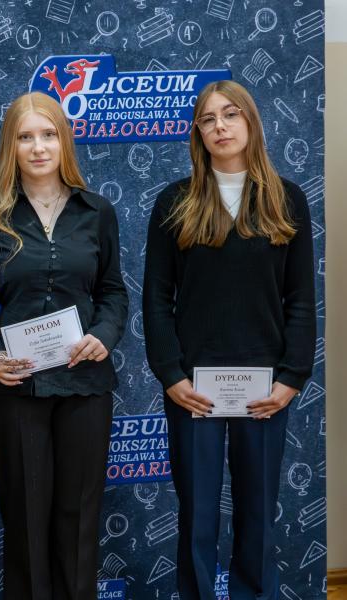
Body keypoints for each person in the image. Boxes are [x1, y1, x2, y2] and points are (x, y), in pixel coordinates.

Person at [143, 80, 316, 599]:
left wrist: (292, 377)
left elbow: (301, 299)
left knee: (257, 515)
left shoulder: (287, 199)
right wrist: (171, 375)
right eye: (208, 119)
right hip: (193, 387)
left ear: (250, 122)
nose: (220, 126)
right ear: (197, 133)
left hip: (266, 387)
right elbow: (156, 298)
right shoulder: (175, 202)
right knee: (197, 515)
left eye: (230, 114)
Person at [0, 92, 128, 600]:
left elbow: (113, 292)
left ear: (64, 142)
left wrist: (103, 336)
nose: (38, 147)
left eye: (48, 134)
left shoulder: (96, 211)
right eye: (25, 137)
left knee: (78, 521)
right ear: (10, 146)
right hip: (17, 390)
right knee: (25, 523)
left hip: (85, 386)